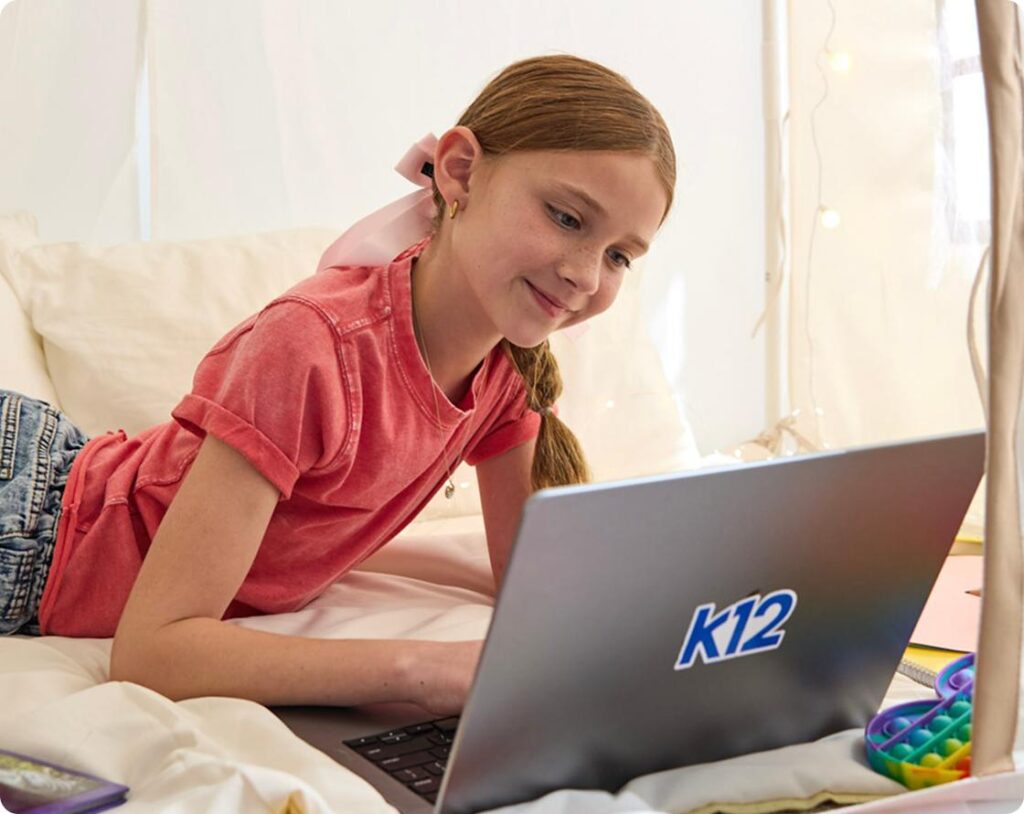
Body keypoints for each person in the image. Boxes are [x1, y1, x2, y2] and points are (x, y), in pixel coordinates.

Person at [0, 54, 675, 716]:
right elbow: (151, 653)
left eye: (619, 255)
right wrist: (420, 669)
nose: (587, 276)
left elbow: (534, 588)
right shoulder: (312, 347)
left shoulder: (503, 376)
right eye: (566, 218)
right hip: (28, 516)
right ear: (461, 171)